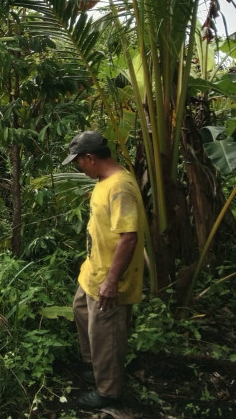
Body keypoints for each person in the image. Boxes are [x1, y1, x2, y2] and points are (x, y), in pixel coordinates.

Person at [62, 130, 147, 409]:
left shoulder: (119, 187)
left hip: (110, 277)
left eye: (78, 162)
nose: (78, 167)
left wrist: (111, 281)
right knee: (82, 310)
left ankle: (109, 390)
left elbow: (129, 236)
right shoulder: (104, 180)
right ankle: (93, 366)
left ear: (90, 158)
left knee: (106, 332)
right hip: (93, 270)